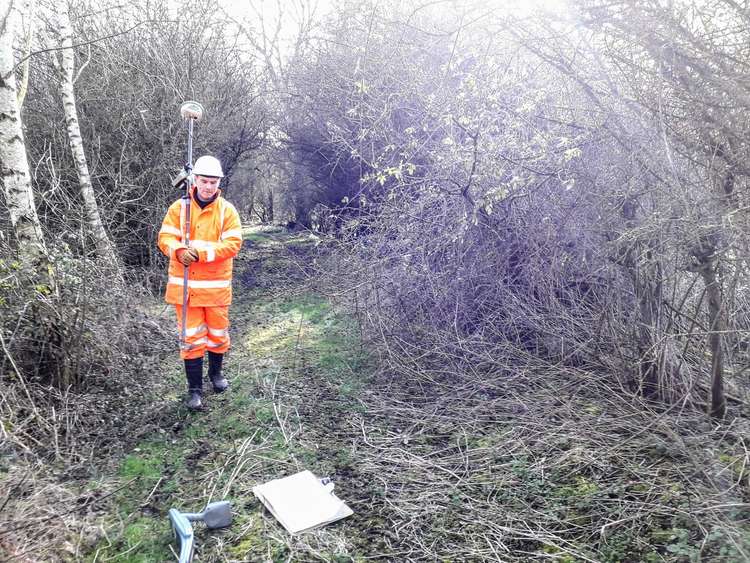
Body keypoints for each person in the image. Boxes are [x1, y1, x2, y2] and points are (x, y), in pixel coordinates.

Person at [158, 155, 243, 409]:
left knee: (218, 335)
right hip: (185, 291)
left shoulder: (227, 210)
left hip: (216, 290)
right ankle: (194, 390)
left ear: (219, 183)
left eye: (213, 182)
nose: (209, 186)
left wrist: (202, 254)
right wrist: (178, 251)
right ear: (195, 180)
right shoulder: (179, 209)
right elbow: (165, 238)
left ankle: (216, 375)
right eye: (205, 181)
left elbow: (233, 244)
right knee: (191, 339)